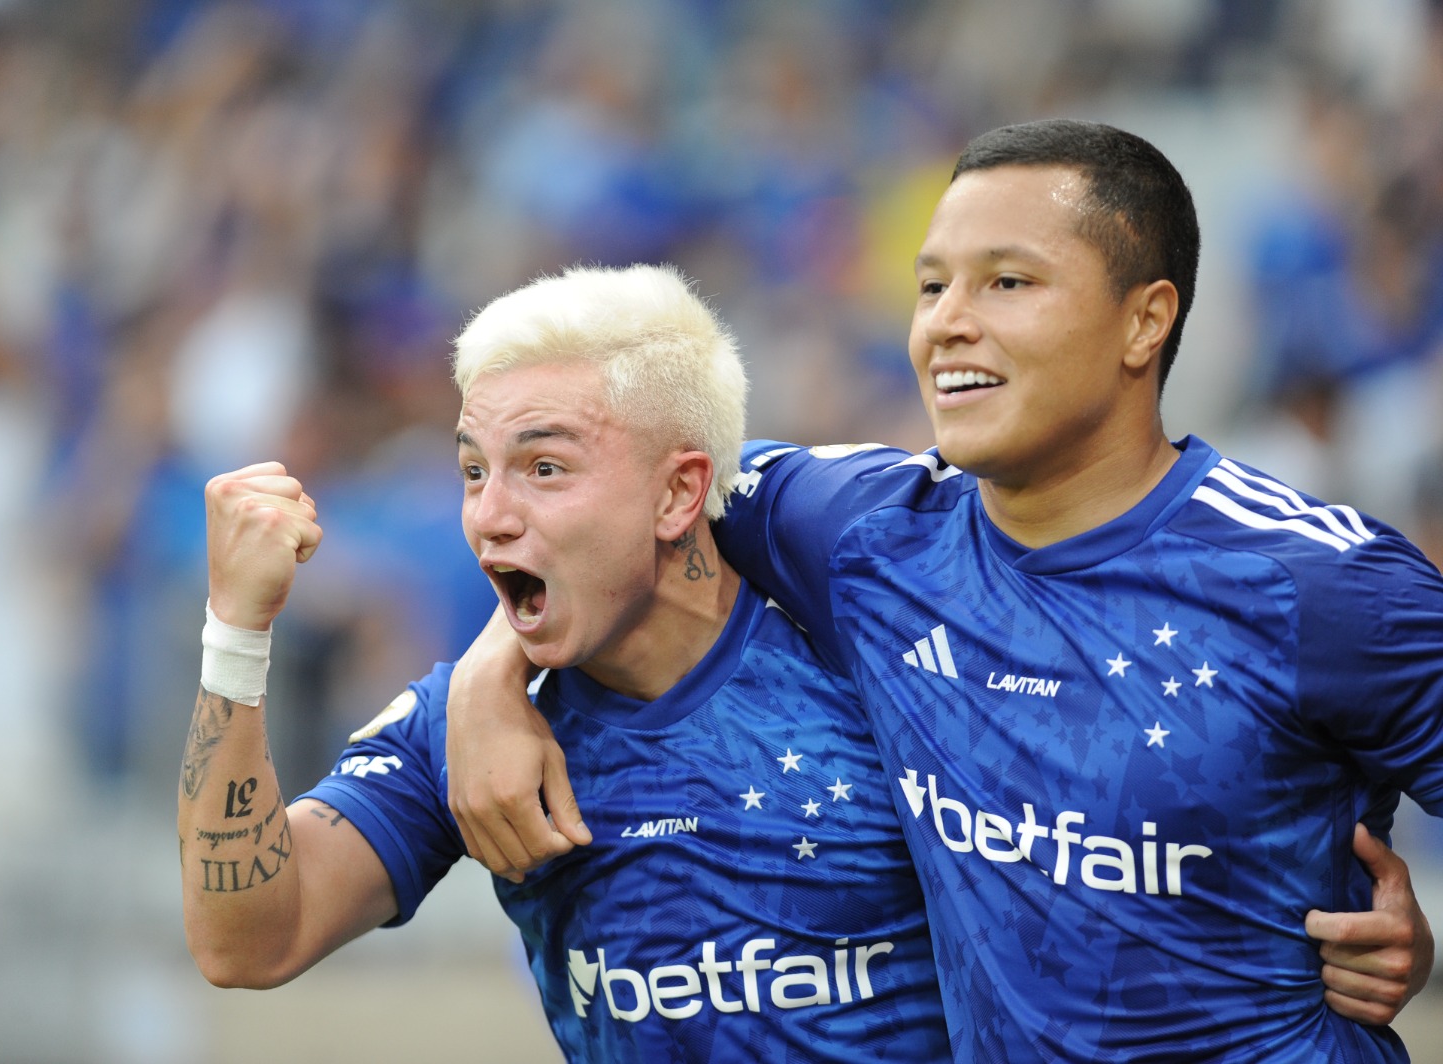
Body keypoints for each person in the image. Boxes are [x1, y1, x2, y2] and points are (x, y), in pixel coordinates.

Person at [444, 120, 1443, 1060]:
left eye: (1007, 282)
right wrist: (485, 682)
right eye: (931, 288)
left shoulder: (1323, 587)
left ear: (1145, 320)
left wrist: (1422, 944)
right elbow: (611, 506)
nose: (947, 326)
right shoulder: (859, 531)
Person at [178, 263, 955, 1060]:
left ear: (678, 495)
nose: (489, 518)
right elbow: (248, 942)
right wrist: (236, 633)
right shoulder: (469, 725)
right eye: (474, 471)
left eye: (544, 468)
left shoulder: (869, 652)